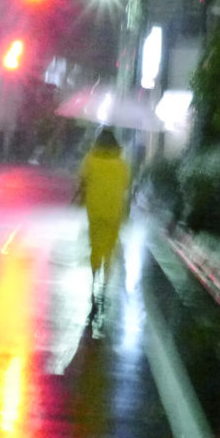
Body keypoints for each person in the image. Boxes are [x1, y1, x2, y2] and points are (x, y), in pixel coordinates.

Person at [74, 128, 131, 315]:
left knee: (96, 249)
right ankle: (103, 290)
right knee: (109, 251)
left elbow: (82, 182)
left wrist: (79, 200)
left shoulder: (90, 159)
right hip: (114, 214)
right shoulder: (121, 164)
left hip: (95, 213)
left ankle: (93, 285)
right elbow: (126, 185)